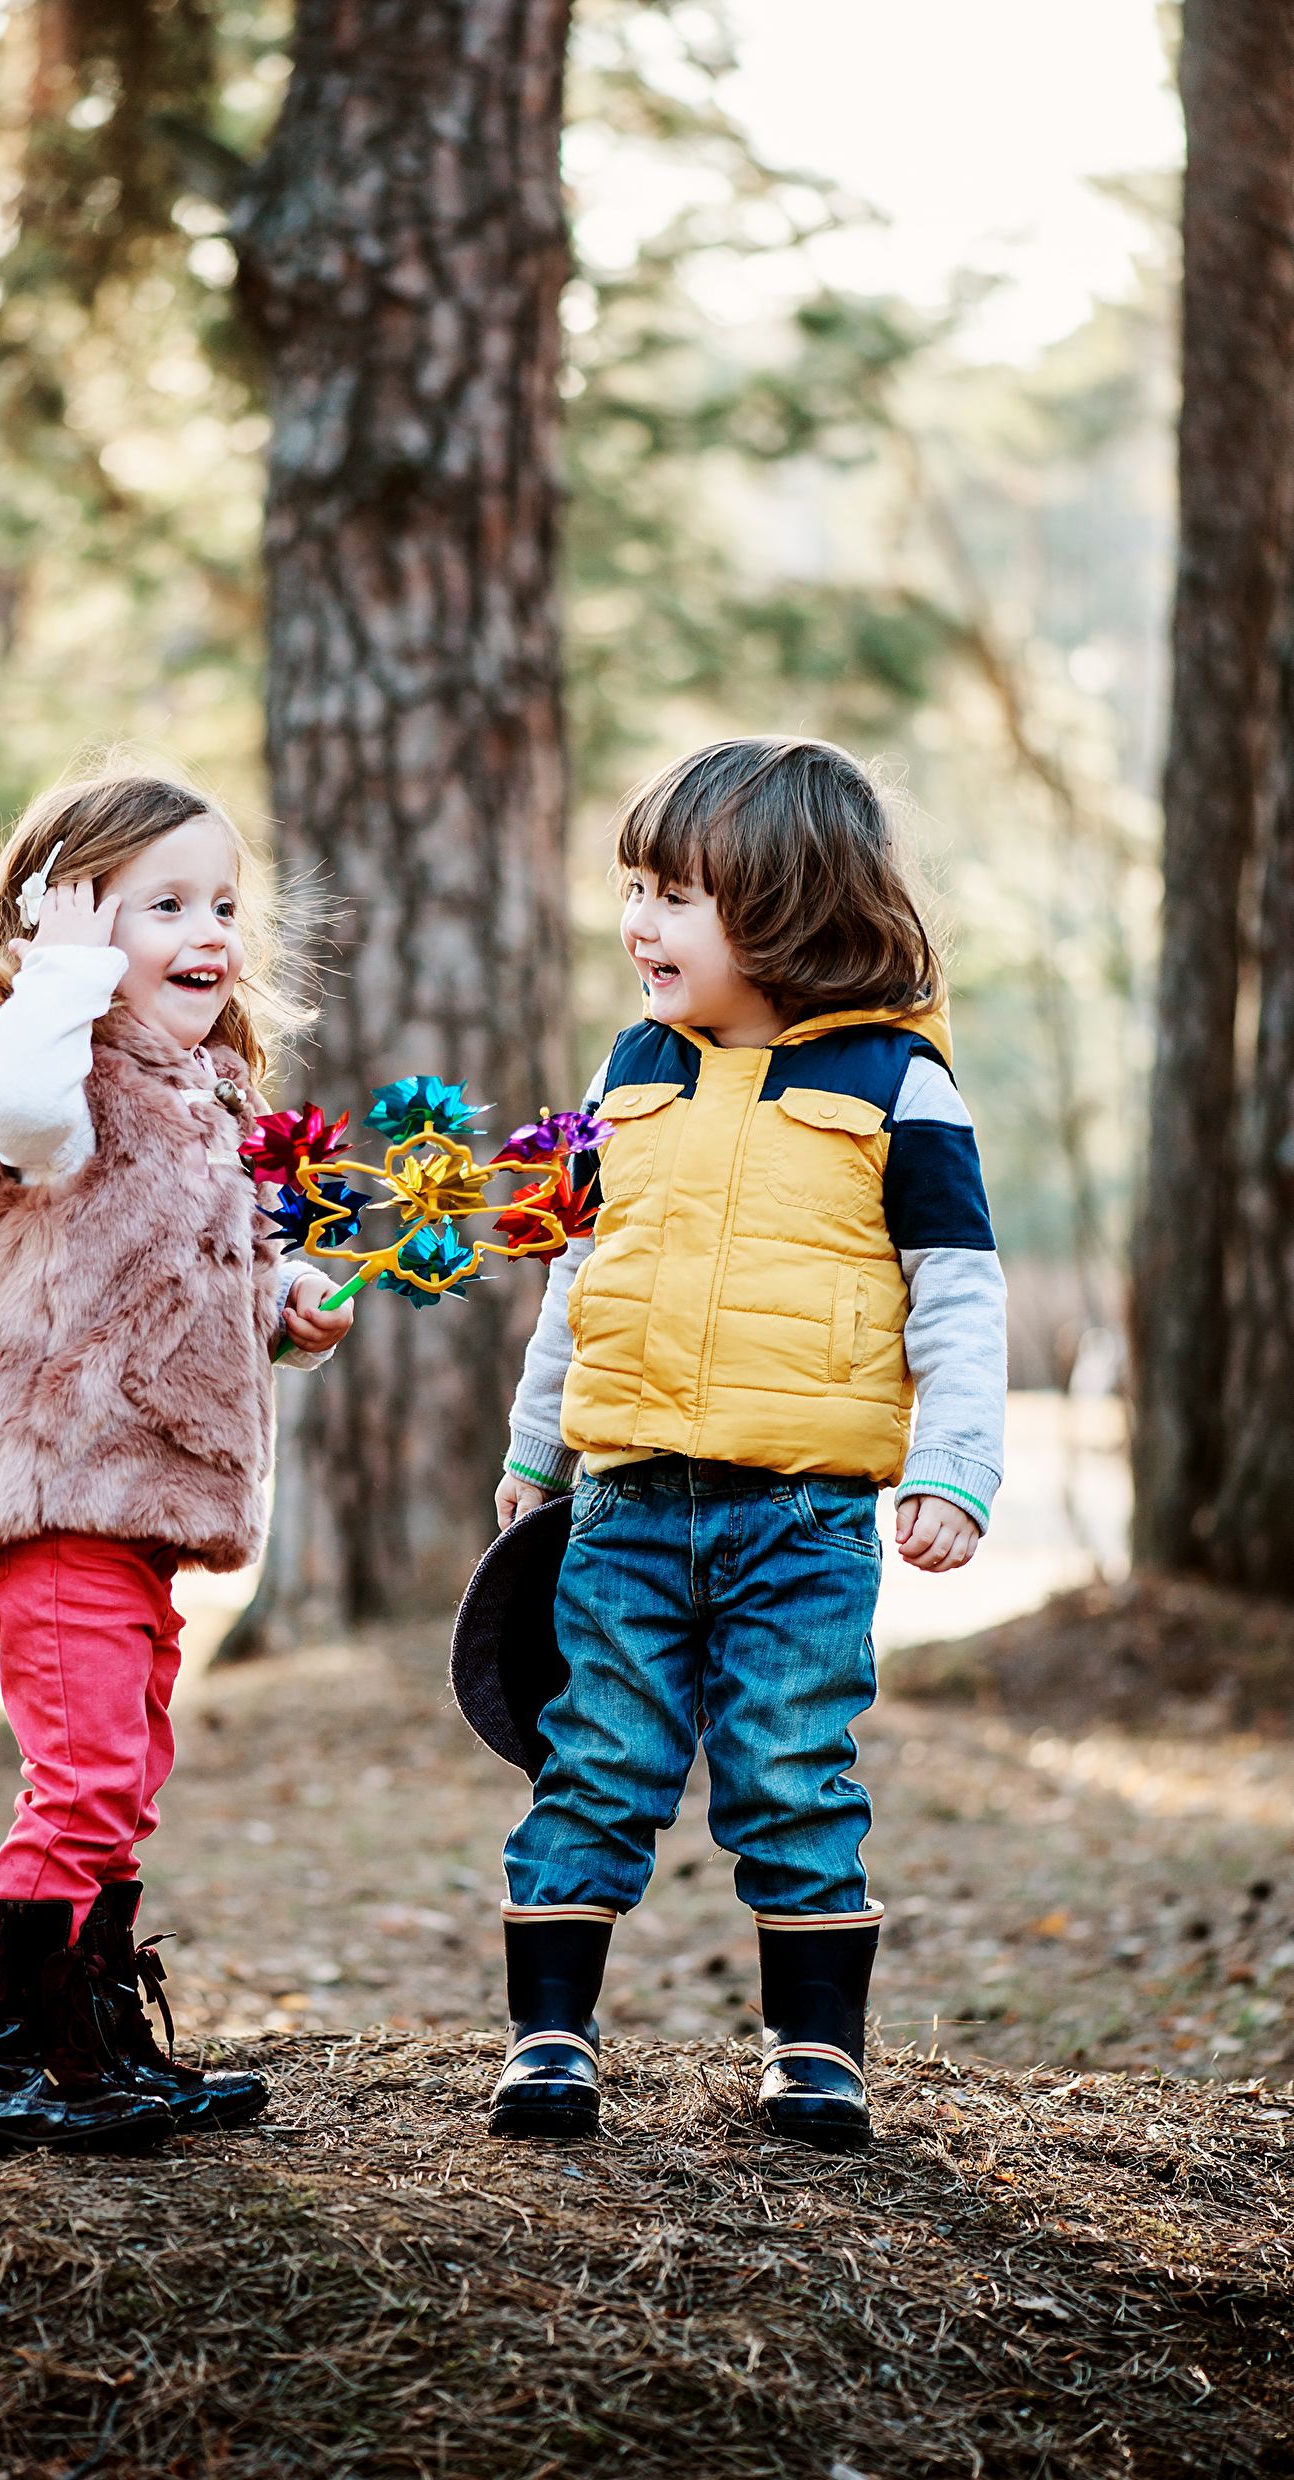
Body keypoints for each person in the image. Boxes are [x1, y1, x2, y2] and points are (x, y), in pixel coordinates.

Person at [486, 737, 1005, 2152]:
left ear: (784, 910)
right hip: (626, 1503)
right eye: (633, 889)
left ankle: (815, 2053)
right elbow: (576, 1275)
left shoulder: (898, 1083)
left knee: (788, 1765)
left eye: (674, 896)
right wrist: (537, 1455)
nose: (637, 924)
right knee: (592, 1758)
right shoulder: (631, 1073)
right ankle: (548, 2041)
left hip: (804, 1519)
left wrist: (954, 1469)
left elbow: (957, 1292)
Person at [0, 766, 352, 2157]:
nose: (210, 931)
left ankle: (94, 2039)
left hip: (144, 1502)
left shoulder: (200, 1095)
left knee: (120, 1771)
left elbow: (185, 1283)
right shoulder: (41, 1072)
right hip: (56, 1487)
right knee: (81, 1773)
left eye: (224, 904)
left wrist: (285, 1306)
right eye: (164, 904)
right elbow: (19, 1110)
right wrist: (53, 978)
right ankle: (12, 2070)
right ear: (58, 932)